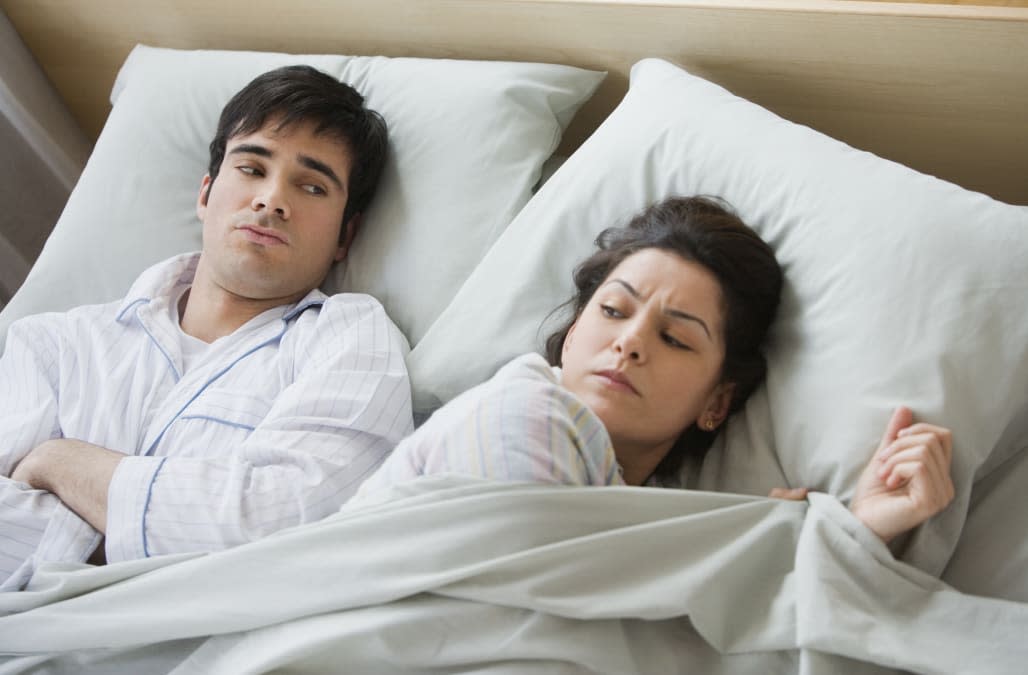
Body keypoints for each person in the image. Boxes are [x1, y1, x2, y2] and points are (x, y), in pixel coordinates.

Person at [0, 65, 414, 590]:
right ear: (205, 192)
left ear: (344, 237)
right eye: (251, 168)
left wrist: (59, 462)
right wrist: (163, 531)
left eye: (311, 186)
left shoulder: (352, 339)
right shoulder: (52, 343)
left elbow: (288, 522)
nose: (271, 201)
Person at [355, 196, 953, 545]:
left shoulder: (651, 510)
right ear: (572, 334)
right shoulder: (520, 412)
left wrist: (844, 534)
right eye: (613, 310)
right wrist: (765, 546)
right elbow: (541, 594)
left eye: (674, 338)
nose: (631, 343)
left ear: (717, 403)